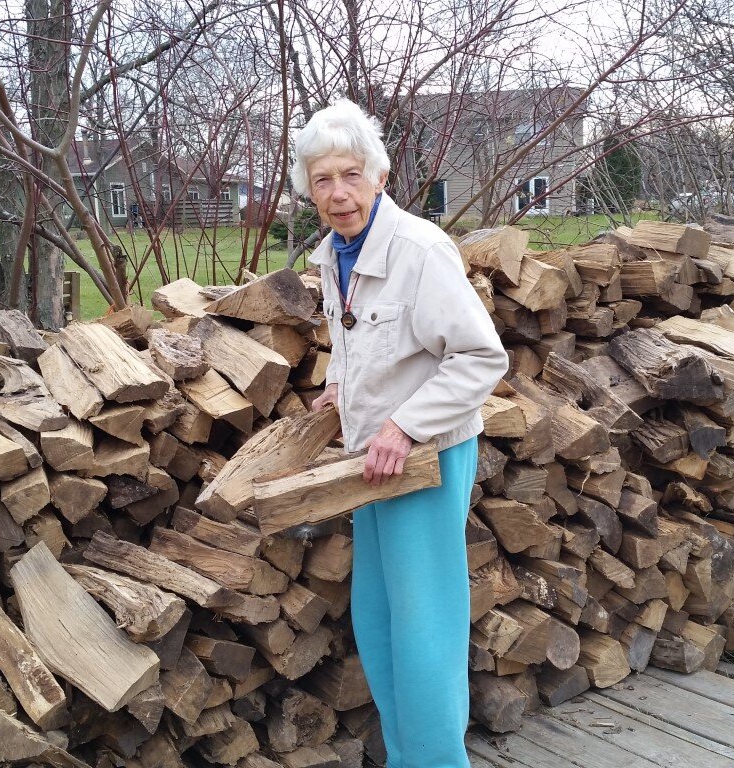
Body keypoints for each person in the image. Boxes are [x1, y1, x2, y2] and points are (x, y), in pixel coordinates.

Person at [294, 100, 509, 767]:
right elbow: (368, 339)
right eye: (323, 179)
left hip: (426, 458)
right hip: (373, 458)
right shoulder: (335, 253)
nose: (337, 193)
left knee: (424, 630)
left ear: (379, 177)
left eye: (350, 175)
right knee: (381, 625)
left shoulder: (418, 249)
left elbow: (479, 357)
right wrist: (342, 383)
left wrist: (403, 424)